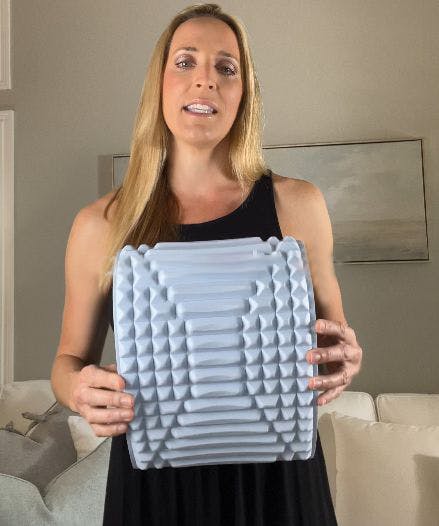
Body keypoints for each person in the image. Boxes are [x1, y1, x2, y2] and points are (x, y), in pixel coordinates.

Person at [50, 3, 363, 525]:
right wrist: (80, 391)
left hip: (278, 481)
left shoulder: (298, 205)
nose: (206, 80)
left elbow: (333, 343)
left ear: (244, 93)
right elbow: (67, 362)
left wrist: (344, 361)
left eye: (226, 67)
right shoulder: (101, 223)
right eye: (185, 62)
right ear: (159, 85)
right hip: (156, 487)